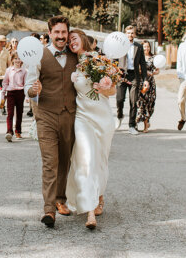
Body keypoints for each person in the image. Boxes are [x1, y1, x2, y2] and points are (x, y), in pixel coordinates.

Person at [24, 15, 78, 228]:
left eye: (64, 32)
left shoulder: (75, 55)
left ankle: (60, 199)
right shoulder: (39, 56)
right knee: (50, 162)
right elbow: (28, 86)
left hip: (69, 115)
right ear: (49, 34)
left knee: (65, 160)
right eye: (57, 32)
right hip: (46, 115)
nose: (61, 36)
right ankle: (48, 210)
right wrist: (33, 90)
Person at [64, 28, 116, 230]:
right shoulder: (71, 64)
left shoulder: (98, 60)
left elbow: (112, 90)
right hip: (83, 118)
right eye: (69, 41)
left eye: (73, 38)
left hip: (102, 119)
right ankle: (90, 211)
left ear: (83, 39)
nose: (70, 42)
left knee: (100, 160)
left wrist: (104, 86)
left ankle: (99, 196)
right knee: (86, 159)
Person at [116, 25, 148, 135]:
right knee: (120, 100)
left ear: (135, 34)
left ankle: (131, 125)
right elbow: (114, 60)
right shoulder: (119, 46)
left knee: (133, 101)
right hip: (121, 75)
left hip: (134, 76)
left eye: (132, 33)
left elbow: (143, 64)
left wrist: (145, 79)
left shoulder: (139, 47)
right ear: (125, 34)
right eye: (128, 33)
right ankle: (119, 115)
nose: (130, 35)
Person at [2, 52, 26, 141]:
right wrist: (3, 94)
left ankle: (18, 132)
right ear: (12, 60)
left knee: (19, 113)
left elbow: (26, 84)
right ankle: (9, 132)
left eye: (19, 58)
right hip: (10, 93)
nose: (17, 60)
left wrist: (27, 97)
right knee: (10, 113)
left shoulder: (24, 71)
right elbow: (5, 82)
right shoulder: (8, 70)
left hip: (20, 92)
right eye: (15, 58)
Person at [136, 41, 158, 133]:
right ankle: (141, 125)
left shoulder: (154, 58)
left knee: (150, 103)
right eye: (144, 47)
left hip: (151, 82)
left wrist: (152, 73)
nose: (146, 48)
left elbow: (157, 70)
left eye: (148, 47)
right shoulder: (139, 56)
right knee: (141, 102)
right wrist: (144, 72)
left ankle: (147, 120)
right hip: (141, 82)